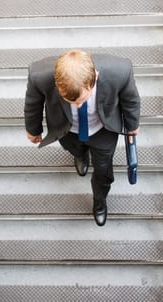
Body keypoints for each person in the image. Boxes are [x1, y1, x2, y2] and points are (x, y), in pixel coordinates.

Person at [24, 50, 140, 226]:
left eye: (82, 100)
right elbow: (33, 103)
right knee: (74, 148)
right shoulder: (38, 75)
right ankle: (80, 155)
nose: (78, 105)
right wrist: (33, 130)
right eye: (71, 101)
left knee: (103, 170)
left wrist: (132, 127)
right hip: (67, 129)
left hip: (103, 130)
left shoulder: (121, 71)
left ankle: (100, 200)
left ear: (95, 77)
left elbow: (131, 100)